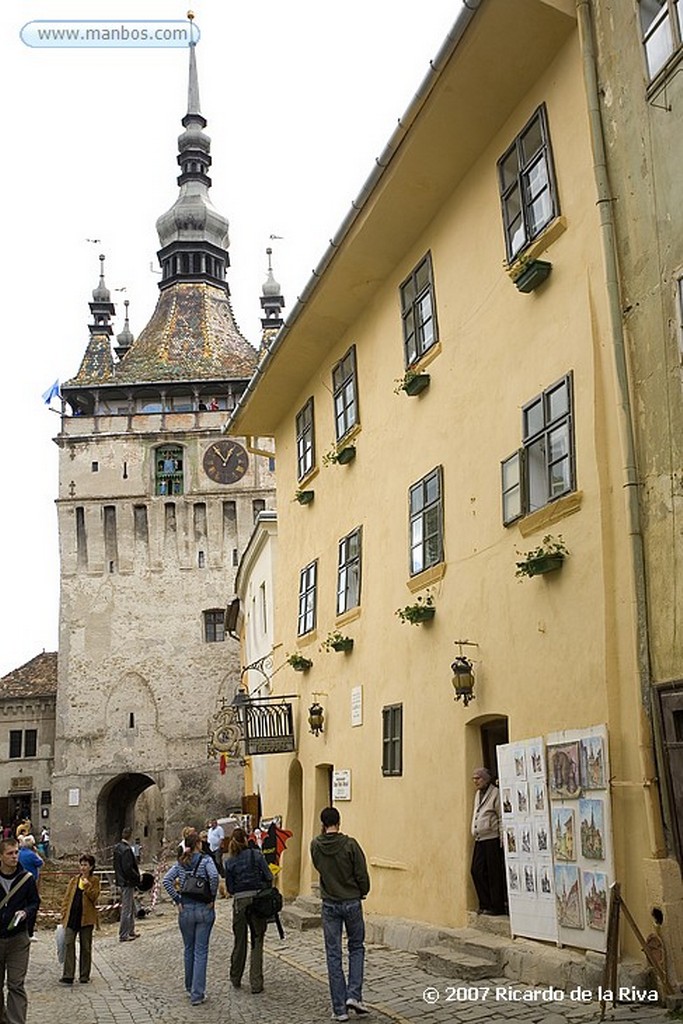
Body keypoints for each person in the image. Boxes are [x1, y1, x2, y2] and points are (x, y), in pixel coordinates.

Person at [311, 807, 370, 1021]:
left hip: (330, 903)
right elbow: (361, 874)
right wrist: (361, 891)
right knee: (356, 947)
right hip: (352, 901)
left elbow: (319, 867)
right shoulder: (350, 844)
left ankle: (339, 1008)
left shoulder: (316, 845)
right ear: (339, 821)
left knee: (333, 954)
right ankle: (354, 995)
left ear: (322, 823)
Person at [163, 828, 218, 1006]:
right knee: (201, 951)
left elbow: (166, 880)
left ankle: (189, 987)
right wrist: (212, 896)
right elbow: (214, 876)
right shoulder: (206, 860)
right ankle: (197, 993)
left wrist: (177, 899)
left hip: (185, 908)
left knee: (188, 949)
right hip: (203, 907)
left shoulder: (181, 863)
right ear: (197, 844)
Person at [224, 827, 272, 994]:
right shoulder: (256, 855)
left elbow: (229, 888)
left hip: (239, 902)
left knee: (240, 940)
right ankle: (256, 982)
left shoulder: (229, 861)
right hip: (257, 900)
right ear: (245, 839)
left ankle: (235, 976)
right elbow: (269, 876)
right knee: (257, 940)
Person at [0, 836, 40, 1024]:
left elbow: (34, 902)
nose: (15, 856)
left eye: (16, 852)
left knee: (16, 984)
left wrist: (26, 912)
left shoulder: (26, 879)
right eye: (10, 853)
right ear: (1, 856)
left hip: (18, 939)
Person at [470, 766, 506, 917]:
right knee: (476, 870)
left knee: (494, 873)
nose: (475, 781)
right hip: (479, 838)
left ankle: (496, 906)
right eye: (474, 779)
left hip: (491, 838)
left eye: (477, 778)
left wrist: (502, 838)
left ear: (485, 779)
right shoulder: (478, 794)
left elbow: (500, 815)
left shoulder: (495, 793)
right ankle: (484, 903)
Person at [59, 854, 100, 985]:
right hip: (72, 917)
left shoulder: (94, 881)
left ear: (91, 867)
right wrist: (64, 913)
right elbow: (67, 898)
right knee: (69, 944)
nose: (83, 868)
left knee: (85, 947)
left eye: (85, 865)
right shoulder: (74, 881)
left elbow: (94, 897)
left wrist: (88, 886)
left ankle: (84, 975)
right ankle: (68, 975)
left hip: (86, 918)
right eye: (81, 865)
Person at [113, 827, 141, 942]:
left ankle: (131, 930)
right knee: (127, 908)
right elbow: (128, 868)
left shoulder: (118, 848)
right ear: (130, 836)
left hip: (121, 880)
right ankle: (124, 934)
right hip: (127, 882)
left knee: (131, 906)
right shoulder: (126, 850)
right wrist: (138, 876)